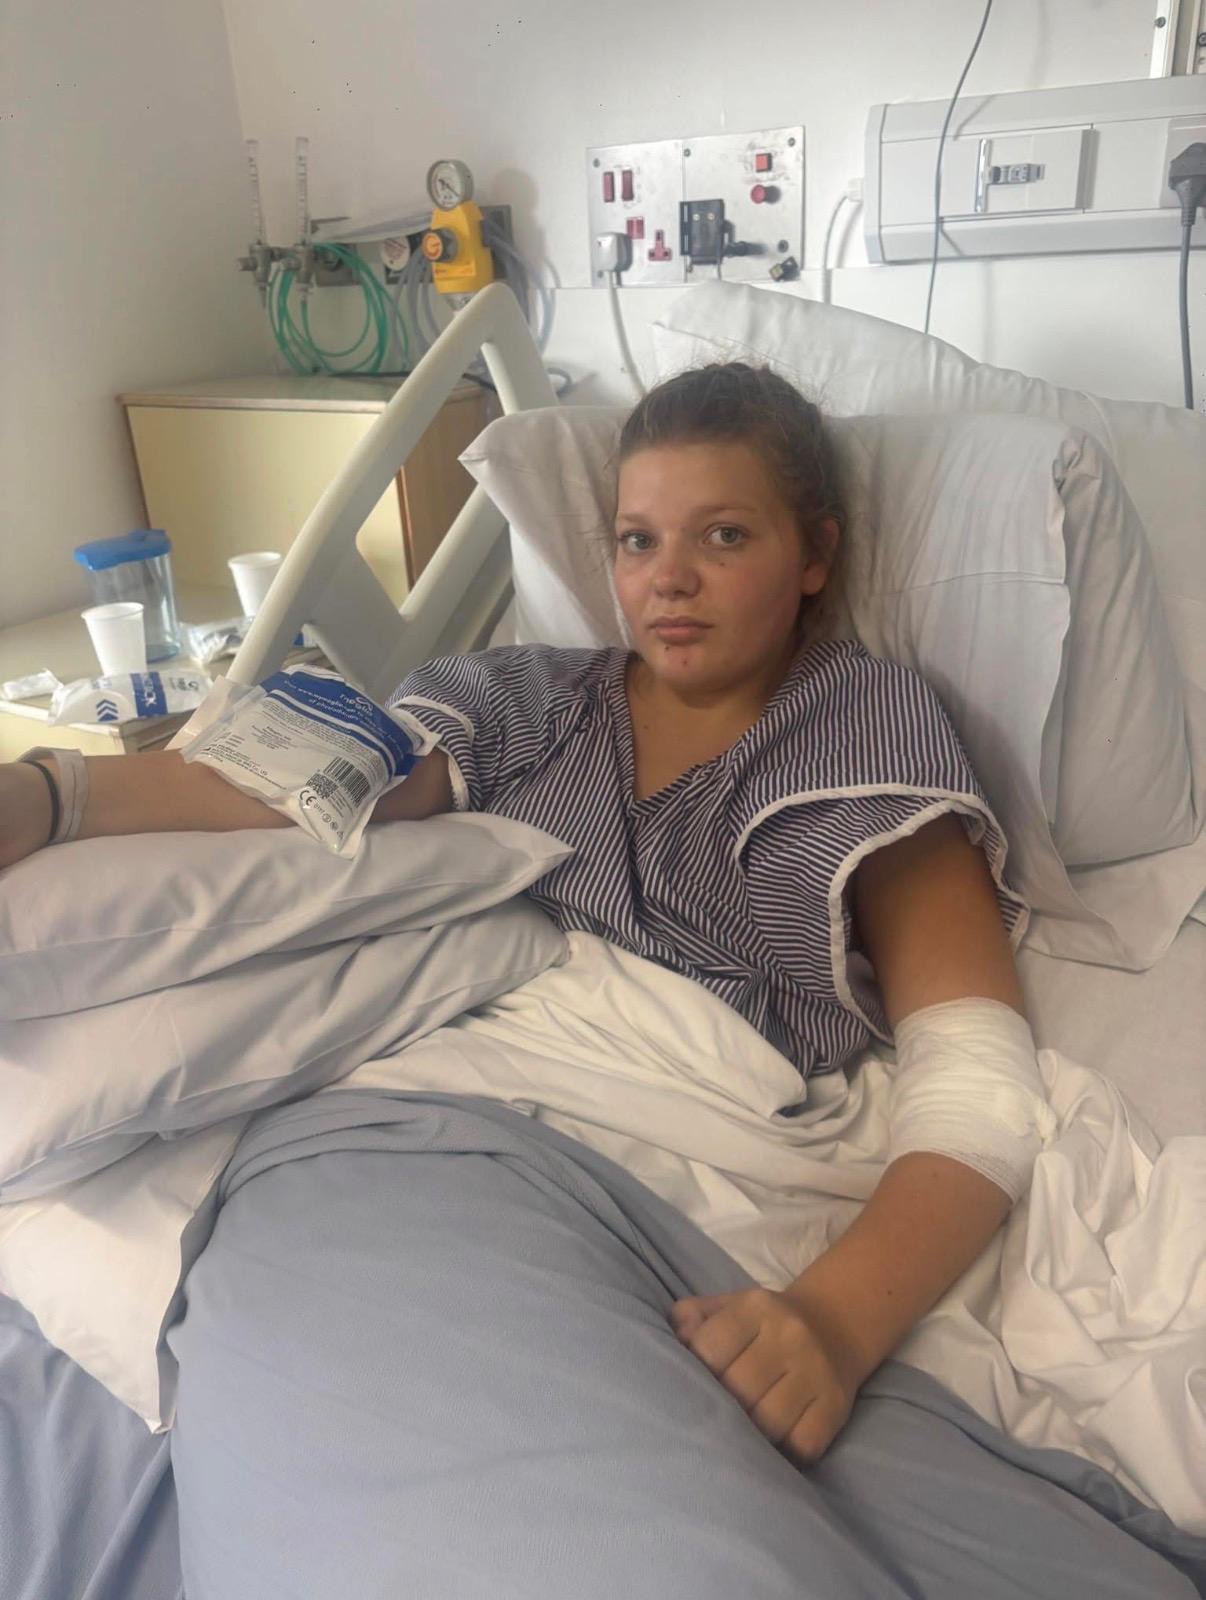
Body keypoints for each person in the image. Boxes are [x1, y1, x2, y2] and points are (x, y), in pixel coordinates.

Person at [2, 362, 1043, 1470]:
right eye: (637, 540)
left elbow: (978, 1079)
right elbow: (308, 782)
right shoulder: (533, 702)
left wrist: (833, 1323)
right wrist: (53, 792)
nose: (669, 579)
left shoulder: (862, 734)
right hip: (435, 1099)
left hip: (676, 1149)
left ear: (815, 556)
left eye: (725, 536)